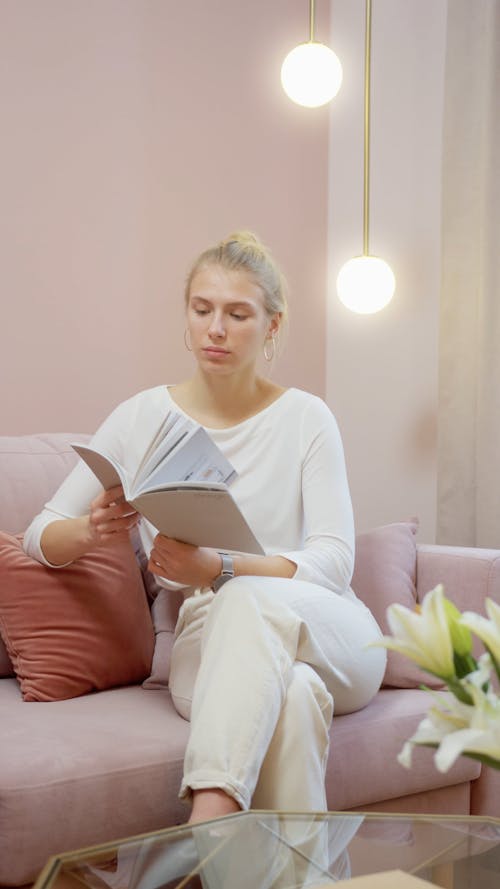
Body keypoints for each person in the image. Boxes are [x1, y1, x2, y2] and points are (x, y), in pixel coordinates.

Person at [23, 230, 386, 824]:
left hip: (326, 627)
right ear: (187, 317)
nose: (216, 328)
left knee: (248, 596)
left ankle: (208, 815)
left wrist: (220, 567)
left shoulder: (306, 418)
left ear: (271, 326)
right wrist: (94, 531)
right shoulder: (141, 416)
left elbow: (334, 561)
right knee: (292, 697)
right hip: (209, 639)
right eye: (202, 310)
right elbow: (42, 534)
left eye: (238, 313)